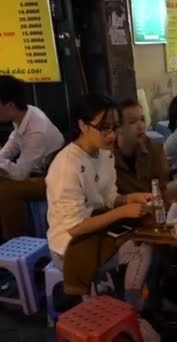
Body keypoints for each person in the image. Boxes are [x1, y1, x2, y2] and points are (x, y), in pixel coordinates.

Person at [46, 94, 152, 310]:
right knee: (140, 250)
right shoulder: (67, 165)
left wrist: (130, 198)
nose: (111, 135)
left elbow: (109, 198)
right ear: (83, 126)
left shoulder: (105, 154)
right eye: (104, 128)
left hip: (97, 228)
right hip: (68, 244)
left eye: (114, 127)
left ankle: (129, 306)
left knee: (148, 240)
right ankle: (127, 311)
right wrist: (123, 212)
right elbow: (74, 227)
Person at [0, 75, 64, 239]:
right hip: (32, 172)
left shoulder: (37, 130)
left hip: (51, 177)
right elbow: (13, 143)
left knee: (7, 190)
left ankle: (15, 241)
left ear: (9, 104)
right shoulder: (25, 114)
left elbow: (20, 175)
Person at [115, 99, 177, 198]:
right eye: (132, 122)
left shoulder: (154, 149)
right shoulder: (109, 158)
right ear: (118, 127)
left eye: (142, 119)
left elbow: (162, 191)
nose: (140, 126)